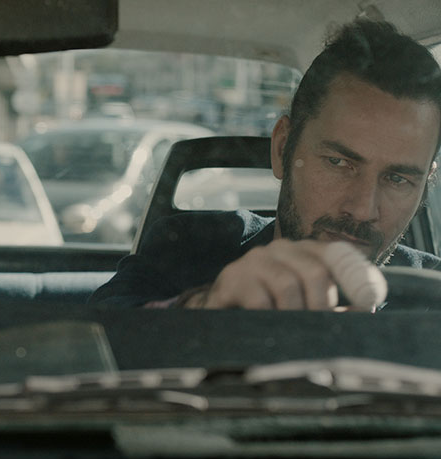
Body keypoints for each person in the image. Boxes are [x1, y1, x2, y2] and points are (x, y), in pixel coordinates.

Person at [91, 20, 441, 311]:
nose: (363, 209)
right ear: (282, 148)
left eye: (397, 179)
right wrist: (206, 308)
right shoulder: (188, 249)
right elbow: (96, 332)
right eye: (338, 163)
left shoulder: (432, 295)